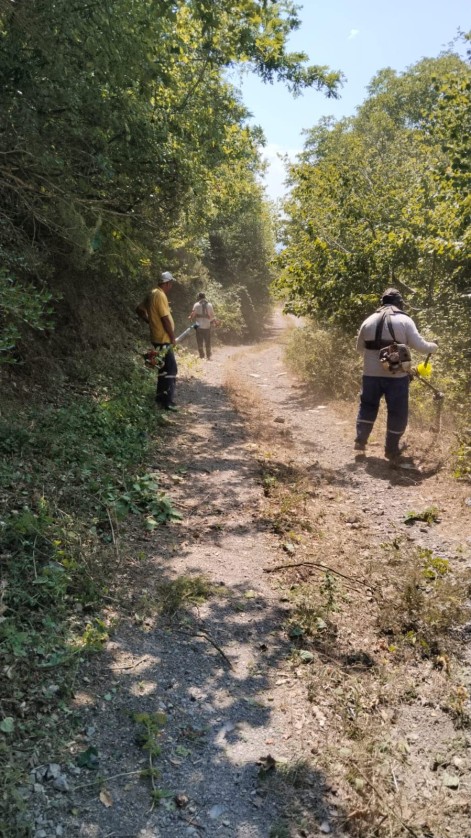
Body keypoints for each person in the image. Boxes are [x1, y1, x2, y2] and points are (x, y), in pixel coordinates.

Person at [355, 288, 438, 461]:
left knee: (368, 406)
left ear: (382, 303)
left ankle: (361, 440)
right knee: (397, 412)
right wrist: (433, 347)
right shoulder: (405, 320)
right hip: (396, 376)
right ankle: (391, 449)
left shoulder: (368, 321)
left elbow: (359, 349)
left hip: (370, 374)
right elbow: (420, 346)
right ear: (399, 303)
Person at [135, 271, 178, 411]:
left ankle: (160, 398)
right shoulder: (160, 295)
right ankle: (166, 402)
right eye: (170, 283)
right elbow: (165, 318)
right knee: (170, 369)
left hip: (156, 336)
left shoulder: (152, 293)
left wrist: (150, 322)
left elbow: (139, 310)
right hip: (163, 338)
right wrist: (172, 337)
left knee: (163, 368)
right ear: (166, 283)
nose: (171, 286)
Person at [189, 292, 216, 360]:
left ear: (199, 297)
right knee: (207, 341)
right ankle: (208, 355)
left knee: (199, 341)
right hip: (207, 325)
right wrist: (213, 322)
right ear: (204, 297)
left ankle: (201, 355)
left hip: (198, 325)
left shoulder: (196, 305)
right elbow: (212, 315)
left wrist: (190, 317)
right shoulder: (210, 305)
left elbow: (193, 315)